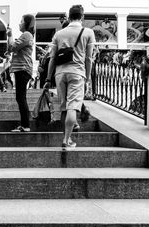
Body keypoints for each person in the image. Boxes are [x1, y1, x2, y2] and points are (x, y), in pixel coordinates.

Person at [44, 5, 95, 149]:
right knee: (73, 107)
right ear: (82, 16)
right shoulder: (88, 32)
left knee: (64, 108)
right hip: (77, 72)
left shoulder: (59, 34)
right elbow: (89, 58)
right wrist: (88, 77)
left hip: (60, 74)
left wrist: (48, 79)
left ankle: (68, 137)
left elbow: (52, 58)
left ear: (69, 16)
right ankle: (66, 140)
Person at [7, 14, 35, 132]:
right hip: (22, 69)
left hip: (23, 69)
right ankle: (25, 124)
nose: (19, 23)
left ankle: (25, 125)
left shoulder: (26, 35)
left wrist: (9, 35)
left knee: (21, 97)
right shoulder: (26, 35)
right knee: (20, 97)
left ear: (27, 24)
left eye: (21, 21)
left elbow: (11, 47)